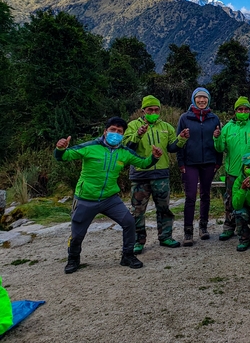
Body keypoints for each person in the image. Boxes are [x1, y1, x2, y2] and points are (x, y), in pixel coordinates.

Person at [54, 117, 162, 273]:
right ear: (105, 131)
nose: (115, 133)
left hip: (110, 199)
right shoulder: (90, 146)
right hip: (85, 198)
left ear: (123, 135)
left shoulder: (124, 152)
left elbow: (143, 163)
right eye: (112, 130)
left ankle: (127, 256)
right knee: (77, 235)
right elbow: (63, 157)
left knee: (129, 222)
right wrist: (61, 148)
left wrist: (155, 157)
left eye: (119, 131)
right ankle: (73, 259)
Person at [124, 95, 189, 254]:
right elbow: (127, 147)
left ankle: (165, 236)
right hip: (140, 175)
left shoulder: (167, 127)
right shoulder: (132, 125)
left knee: (164, 208)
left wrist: (181, 139)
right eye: (150, 109)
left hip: (161, 175)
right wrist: (138, 134)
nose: (153, 112)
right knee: (137, 210)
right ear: (143, 110)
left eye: (156, 109)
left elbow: (172, 148)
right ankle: (138, 241)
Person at [214, 96, 250, 241]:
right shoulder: (228, 128)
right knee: (230, 201)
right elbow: (220, 148)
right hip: (233, 172)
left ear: (249, 111)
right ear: (235, 111)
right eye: (240, 109)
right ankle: (229, 227)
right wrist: (216, 138)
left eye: (246, 109)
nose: (243, 111)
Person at [176, 87, 222, 246]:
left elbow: (219, 141)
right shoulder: (184, 118)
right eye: (199, 98)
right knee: (190, 197)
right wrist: (180, 162)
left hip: (209, 162)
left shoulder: (214, 118)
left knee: (205, 195)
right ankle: (188, 231)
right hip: (190, 163)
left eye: (204, 98)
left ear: (208, 100)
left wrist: (218, 161)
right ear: (193, 99)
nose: (202, 101)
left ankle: (203, 227)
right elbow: (179, 141)